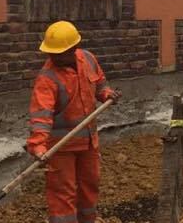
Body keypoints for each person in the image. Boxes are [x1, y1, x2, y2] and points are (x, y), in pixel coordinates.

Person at [27, 21, 121, 223]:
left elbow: (100, 84)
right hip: (60, 148)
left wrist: (106, 94)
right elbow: (41, 116)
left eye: (60, 53)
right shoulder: (47, 78)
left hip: (88, 142)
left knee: (90, 186)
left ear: (73, 49)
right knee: (63, 194)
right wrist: (38, 145)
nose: (55, 57)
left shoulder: (88, 59)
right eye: (52, 54)